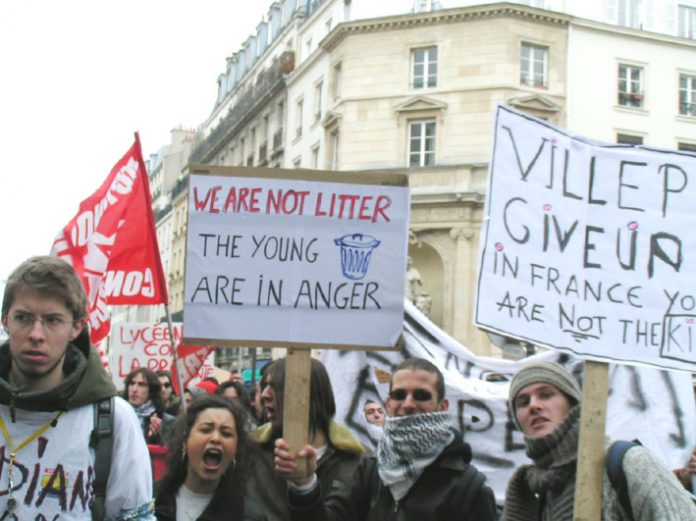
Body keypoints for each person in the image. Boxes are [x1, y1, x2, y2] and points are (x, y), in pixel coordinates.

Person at [0, 256, 154, 519]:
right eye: (23, 318)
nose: (36, 334)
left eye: (52, 320)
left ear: (77, 327)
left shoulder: (113, 419)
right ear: (5, 322)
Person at [275, 357, 497, 520]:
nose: (408, 403)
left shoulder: (470, 489)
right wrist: (305, 484)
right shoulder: (370, 471)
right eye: (399, 395)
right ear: (389, 404)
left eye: (421, 395)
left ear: (443, 406)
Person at [504, 360, 696, 520]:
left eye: (546, 395)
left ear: (571, 404)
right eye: (523, 402)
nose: (534, 405)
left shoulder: (630, 462)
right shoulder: (542, 490)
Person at [246, 357, 366, 521]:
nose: (265, 395)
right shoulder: (251, 453)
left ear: (305, 395)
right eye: (265, 386)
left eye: (275, 386)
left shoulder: (358, 463)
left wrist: (307, 486)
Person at [154, 395, 266, 521]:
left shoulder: (250, 516)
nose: (216, 439)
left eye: (226, 433)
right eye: (206, 430)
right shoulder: (152, 500)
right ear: (185, 440)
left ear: (236, 448)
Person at [123, 367, 174, 445]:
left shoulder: (167, 421)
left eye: (141, 385)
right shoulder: (118, 414)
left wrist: (154, 437)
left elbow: (170, 452)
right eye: (132, 383)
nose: (134, 389)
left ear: (151, 391)